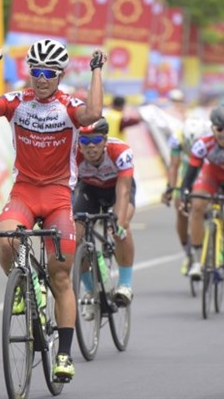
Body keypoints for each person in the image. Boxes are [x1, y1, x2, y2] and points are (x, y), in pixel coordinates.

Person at [0, 38, 107, 382]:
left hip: (59, 195)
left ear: (59, 76)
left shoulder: (69, 106)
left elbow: (94, 114)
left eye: (49, 73)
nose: (41, 78)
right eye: (36, 71)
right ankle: (22, 289)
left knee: (60, 276)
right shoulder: (17, 102)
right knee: (7, 240)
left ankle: (63, 354)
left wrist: (97, 71)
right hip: (25, 192)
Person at [179, 104, 224, 278]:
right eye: (219, 129)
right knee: (197, 206)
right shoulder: (202, 144)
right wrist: (185, 197)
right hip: (211, 176)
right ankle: (197, 262)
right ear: (212, 128)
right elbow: (189, 176)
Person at [74, 117, 136, 307]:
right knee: (75, 237)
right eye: (84, 141)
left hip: (117, 190)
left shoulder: (120, 152)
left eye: (96, 141)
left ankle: (125, 284)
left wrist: (117, 221)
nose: (90, 146)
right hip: (89, 191)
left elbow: (124, 191)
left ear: (105, 141)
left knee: (121, 227)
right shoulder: (73, 154)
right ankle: (92, 289)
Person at [161, 115, 209, 275]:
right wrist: (170, 188)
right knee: (180, 206)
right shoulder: (178, 137)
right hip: (187, 173)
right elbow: (174, 166)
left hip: (207, 172)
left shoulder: (210, 136)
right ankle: (188, 251)